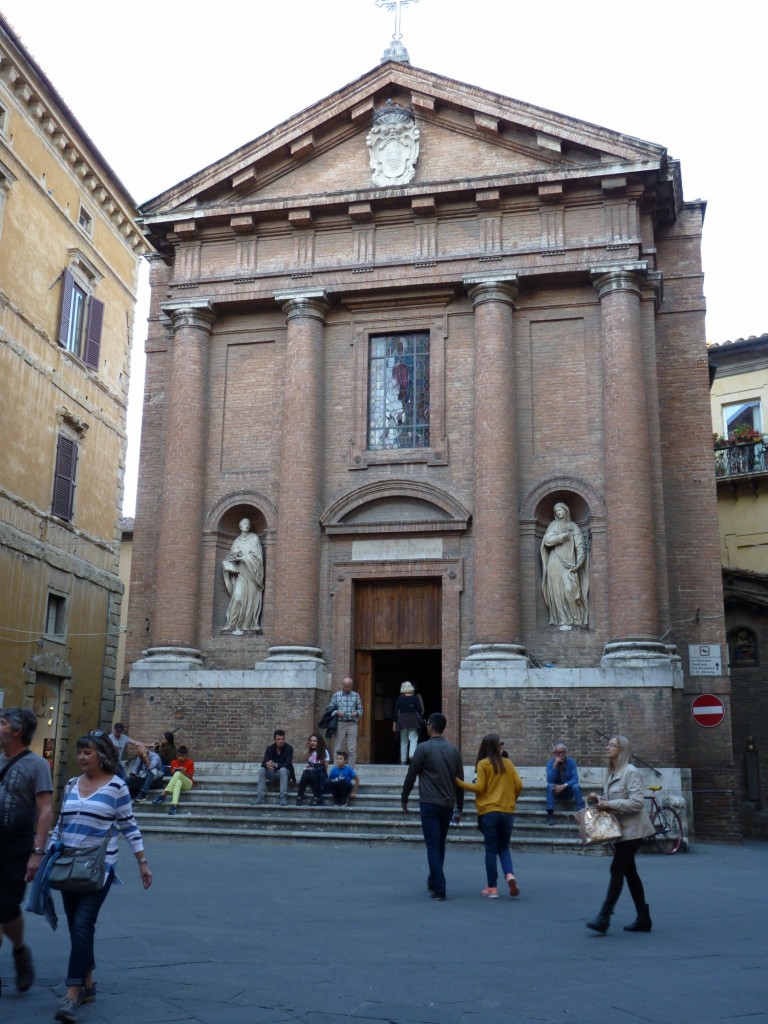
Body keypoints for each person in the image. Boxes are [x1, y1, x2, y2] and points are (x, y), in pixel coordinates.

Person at [50, 730, 152, 1023]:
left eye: (88, 752)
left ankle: (72, 993)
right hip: (68, 865)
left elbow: (129, 827)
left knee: (83, 923)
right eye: (80, 752)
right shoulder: (72, 784)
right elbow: (61, 824)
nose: (82, 757)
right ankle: (89, 983)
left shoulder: (117, 787)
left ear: (103, 756)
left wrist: (142, 862)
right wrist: (45, 853)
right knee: (77, 927)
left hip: (99, 868)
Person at [0, 707, 52, 998]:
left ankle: (20, 950)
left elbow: (45, 811)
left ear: (17, 730)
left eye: (2, 723)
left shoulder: (37, 765)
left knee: (7, 907)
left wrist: (37, 852)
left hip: (17, 845)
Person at [585, 735, 655, 935]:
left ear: (622, 750)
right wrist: (599, 799)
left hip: (634, 829)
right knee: (630, 873)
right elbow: (614, 798)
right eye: (608, 744)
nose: (608, 747)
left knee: (616, 868)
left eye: (612, 745)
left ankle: (604, 916)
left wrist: (609, 803)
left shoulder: (630, 771)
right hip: (621, 830)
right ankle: (644, 918)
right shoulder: (612, 773)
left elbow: (636, 802)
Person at [401, 713, 464, 901]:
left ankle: (439, 886)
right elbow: (459, 782)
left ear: (431, 726)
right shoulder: (454, 751)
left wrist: (404, 798)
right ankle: (433, 878)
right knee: (439, 843)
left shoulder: (423, 748)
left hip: (429, 803)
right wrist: (460, 807)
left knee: (432, 845)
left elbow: (411, 775)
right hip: (447, 803)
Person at [456, 734, 523, 898]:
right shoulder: (508, 763)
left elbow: (479, 788)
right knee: (504, 847)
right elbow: (519, 785)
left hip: (489, 812)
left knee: (491, 850)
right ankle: (509, 874)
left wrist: (458, 782)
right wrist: (512, 800)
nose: (502, 746)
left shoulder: (483, 764)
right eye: (501, 744)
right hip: (507, 812)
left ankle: (492, 888)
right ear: (496, 746)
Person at [540, 502, 589, 629]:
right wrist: (563, 536)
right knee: (557, 591)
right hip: (554, 561)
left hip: (570, 564)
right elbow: (547, 541)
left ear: (566, 511)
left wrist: (578, 564)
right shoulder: (553, 525)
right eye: (556, 511)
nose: (558, 513)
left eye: (560, 510)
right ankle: (562, 620)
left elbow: (580, 547)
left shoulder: (573, 527)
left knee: (569, 590)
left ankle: (576, 619)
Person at [222, 517, 264, 633]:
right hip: (241, 573)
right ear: (240, 526)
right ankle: (231, 624)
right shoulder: (237, 541)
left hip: (252, 575)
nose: (247, 525)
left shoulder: (254, 538)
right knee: (237, 597)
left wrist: (244, 558)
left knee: (250, 599)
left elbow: (257, 557)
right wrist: (233, 558)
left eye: (248, 523)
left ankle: (246, 625)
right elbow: (231, 556)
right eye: (244, 523)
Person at [545, 742, 585, 824]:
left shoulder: (571, 762)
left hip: (568, 790)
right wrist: (555, 766)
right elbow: (549, 780)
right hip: (557, 791)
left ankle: (581, 813)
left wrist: (564, 785)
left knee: (576, 786)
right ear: (554, 754)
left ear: (565, 753)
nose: (560, 755)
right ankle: (550, 814)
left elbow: (575, 779)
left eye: (562, 752)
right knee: (549, 786)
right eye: (558, 753)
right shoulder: (550, 763)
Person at [329, 676, 363, 767]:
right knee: (337, 748)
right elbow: (330, 709)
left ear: (351, 686)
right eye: (345, 686)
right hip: (340, 723)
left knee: (352, 750)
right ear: (342, 685)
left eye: (349, 687)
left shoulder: (356, 695)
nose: (347, 688)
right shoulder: (337, 695)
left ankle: (350, 771)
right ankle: (337, 769)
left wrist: (357, 713)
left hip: (352, 724)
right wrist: (337, 712)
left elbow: (360, 709)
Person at [255, 729, 295, 806]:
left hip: (285, 774)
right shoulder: (269, 749)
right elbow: (263, 762)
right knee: (262, 769)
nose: (281, 741)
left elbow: (288, 763)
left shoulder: (289, 749)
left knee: (283, 770)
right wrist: (267, 764)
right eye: (279, 739)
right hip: (273, 774)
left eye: (283, 739)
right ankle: (260, 796)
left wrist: (276, 765)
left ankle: (283, 796)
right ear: (274, 740)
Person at [151, 746, 194, 815]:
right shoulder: (173, 762)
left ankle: (164, 793)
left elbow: (190, 776)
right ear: (176, 755)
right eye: (179, 756)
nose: (180, 758)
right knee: (178, 782)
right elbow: (174, 777)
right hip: (179, 782)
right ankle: (174, 806)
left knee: (178, 774)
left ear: (186, 756)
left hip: (188, 783)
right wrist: (173, 772)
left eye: (183, 756)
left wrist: (184, 772)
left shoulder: (190, 762)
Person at [392, 681, 424, 765]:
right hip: (413, 721)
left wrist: (394, 723)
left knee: (403, 741)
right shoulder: (415, 699)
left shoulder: (399, 699)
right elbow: (420, 710)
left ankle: (403, 760)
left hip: (402, 721)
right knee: (413, 739)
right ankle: (412, 756)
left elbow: (395, 712)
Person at [296, 733, 329, 806]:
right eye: (311, 741)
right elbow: (304, 758)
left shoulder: (324, 751)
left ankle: (317, 797)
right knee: (305, 774)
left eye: (314, 741)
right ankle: (299, 796)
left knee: (313, 775)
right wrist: (308, 748)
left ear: (319, 742)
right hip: (310, 771)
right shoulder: (310, 751)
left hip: (320, 773)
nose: (312, 743)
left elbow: (325, 767)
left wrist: (324, 778)